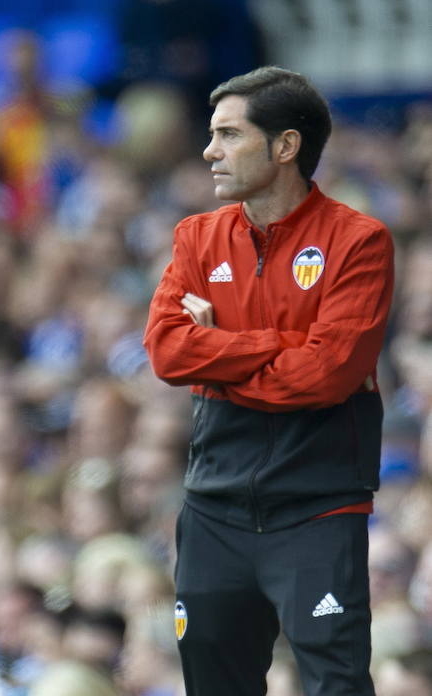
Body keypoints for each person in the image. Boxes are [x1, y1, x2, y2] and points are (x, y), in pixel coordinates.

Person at [143, 66, 394, 696]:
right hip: (213, 507)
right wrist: (280, 345)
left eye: (228, 135)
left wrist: (218, 348)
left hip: (318, 506)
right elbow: (169, 354)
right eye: (211, 135)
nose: (209, 152)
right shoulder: (197, 237)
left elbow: (327, 375)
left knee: (336, 684)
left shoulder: (359, 242)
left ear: (284, 146)